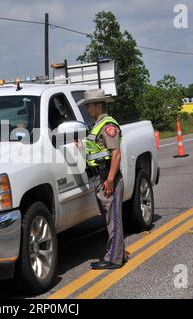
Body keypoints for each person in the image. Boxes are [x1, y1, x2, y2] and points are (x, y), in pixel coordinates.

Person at [83, 89, 127, 269]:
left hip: (108, 179)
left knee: (113, 220)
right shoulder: (97, 125)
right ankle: (119, 254)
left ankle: (113, 259)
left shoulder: (108, 126)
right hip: (101, 178)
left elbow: (116, 154)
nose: (86, 109)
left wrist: (109, 180)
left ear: (97, 105)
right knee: (111, 219)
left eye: (88, 105)